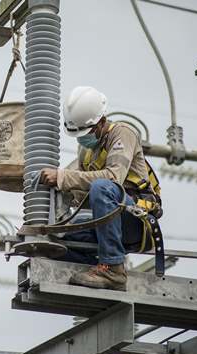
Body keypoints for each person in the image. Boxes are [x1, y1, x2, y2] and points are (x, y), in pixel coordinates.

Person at [38, 86, 161, 291]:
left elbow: (113, 178)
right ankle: (93, 268)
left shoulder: (122, 133)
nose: (83, 138)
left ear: (102, 121)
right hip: (108, 223)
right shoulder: (86, 149)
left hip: (136, 220)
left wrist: (62, 177)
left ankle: (113, 269)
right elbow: (83, 191)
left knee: (103, 186)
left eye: (87, 132)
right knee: (55, 237)